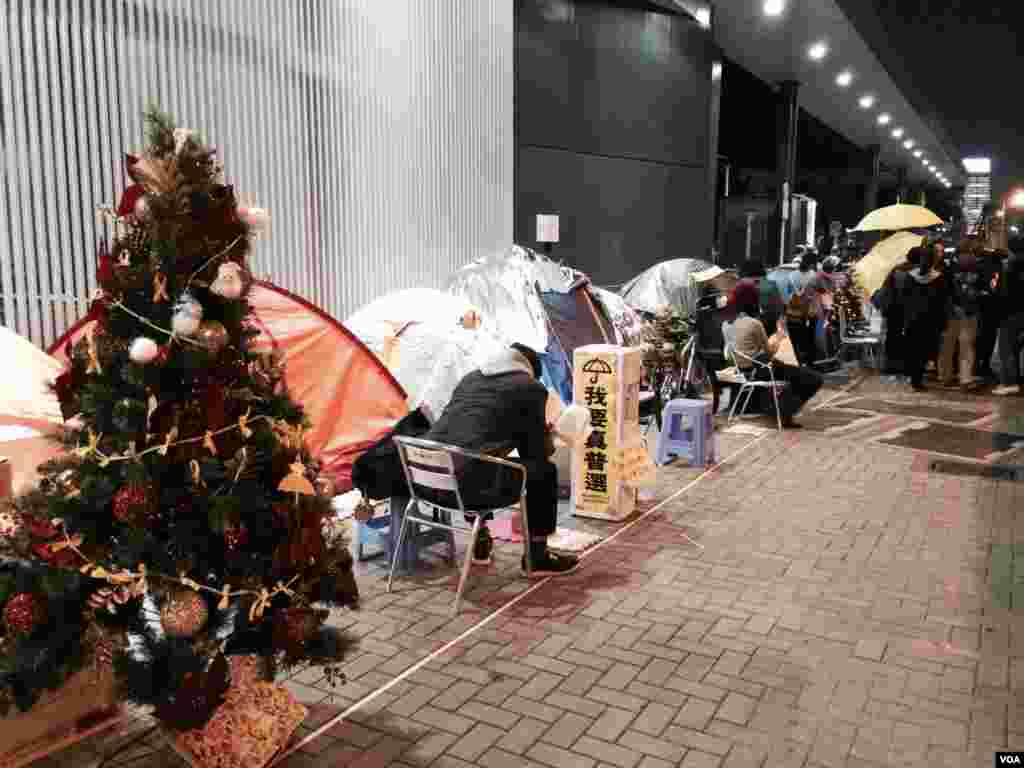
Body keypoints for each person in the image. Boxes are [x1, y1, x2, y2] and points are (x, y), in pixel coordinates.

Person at [423, 343, 577, 575]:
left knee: (473, 457)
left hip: (426, 482)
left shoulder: (470, 378)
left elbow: (473, 431)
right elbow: (535, 453)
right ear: (529, 371)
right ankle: (537, 556)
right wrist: (546, 433)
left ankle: (481, 541)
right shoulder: (530, 387)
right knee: (543, 472)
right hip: (468, 490)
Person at [731, 281, 822, 428]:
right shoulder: (754, 323)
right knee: (813, 378)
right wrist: (779, 337)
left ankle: (781, 409)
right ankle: (785, 411)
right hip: (760, 370)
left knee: (793, 374)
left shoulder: (734, 322)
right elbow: (769, 351)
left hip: (744, 369)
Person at [902, 245, 949, 392]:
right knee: (924, 351)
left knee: (913, 350)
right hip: (931, 320)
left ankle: (915, 379)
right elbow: (942, 301)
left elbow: (904, 299)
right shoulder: (938, 278)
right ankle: (919, 377)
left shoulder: (910, 277)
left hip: (913, 319)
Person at [938, 250, 982, 391]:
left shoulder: (948, 272)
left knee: (949, 346)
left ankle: (946, 376)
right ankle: (964, 378)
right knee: (965, 346)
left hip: (954, 314)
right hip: (965, 314)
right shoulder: (976, 275)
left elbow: (944, 294)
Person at [993, 251, 1024, 396]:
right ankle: (1015, 380)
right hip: (1019, 314)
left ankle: (1009, 382)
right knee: (1015, 350)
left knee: (1006, 350)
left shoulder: (1008, 271)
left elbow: (1002, 295)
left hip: (1009, 315)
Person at [785, 252, 822, 366]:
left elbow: (788, 293)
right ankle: (810, 363)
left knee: (795, 339)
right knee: (809, 338)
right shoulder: (814, 276)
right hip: (810, 313)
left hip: (794, 313)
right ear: (811, 264)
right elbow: (820, 291)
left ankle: (797, 363)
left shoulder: (791, 276)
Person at [974, 248, 1003, 381]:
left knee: (981, 336)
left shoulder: (981, 267)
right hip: (993, 308)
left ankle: (978, 364)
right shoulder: (1000, 268)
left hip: (983, 307)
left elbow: (977, 286)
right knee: (989, 337)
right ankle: (984, 364)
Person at [737, 258, 785, 335]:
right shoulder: (770, 285)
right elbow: (779, 307)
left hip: (744, 324)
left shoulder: (740, 285)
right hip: (767, 324)